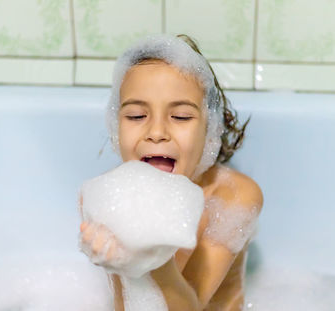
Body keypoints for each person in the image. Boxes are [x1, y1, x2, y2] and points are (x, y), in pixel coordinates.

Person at [79, 34, 263, 311]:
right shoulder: (109, 198)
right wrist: (121, 263)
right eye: (136, 116)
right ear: (117, 126)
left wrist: (152, 264)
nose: (156, 133)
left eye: (181, 117)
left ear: (210, 128)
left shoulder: (232, 198)